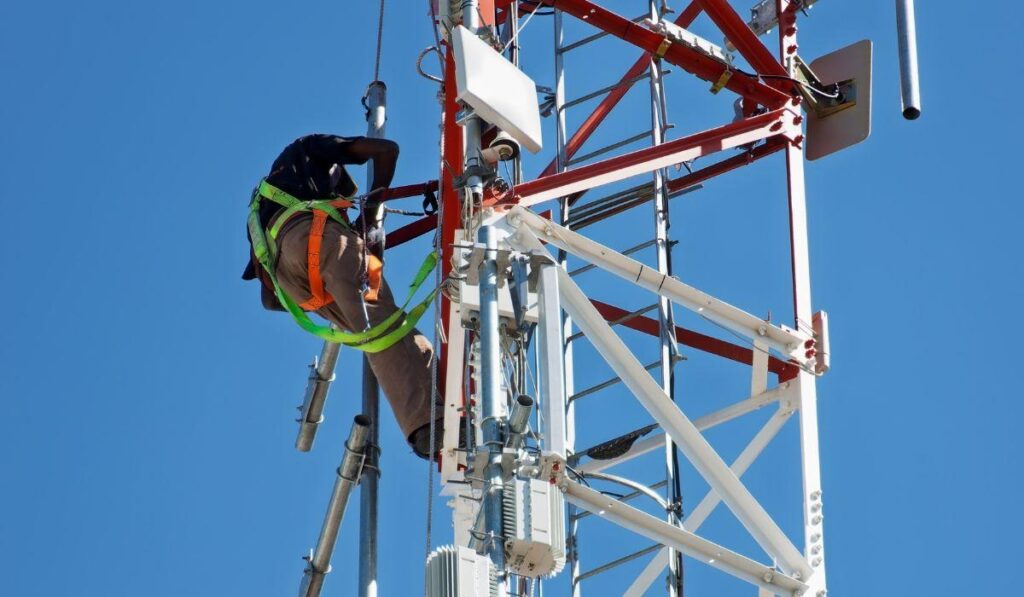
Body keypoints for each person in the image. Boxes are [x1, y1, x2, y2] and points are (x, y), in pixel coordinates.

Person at [242, 134, 441, 459]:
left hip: (294, 284)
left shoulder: (259, 214)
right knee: (382, 327)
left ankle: (437, 408)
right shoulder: (306, 150)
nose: (342, 197)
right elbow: (386, 150)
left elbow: (269, 301)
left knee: (389, 332)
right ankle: (427, 428)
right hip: (314, 236)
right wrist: (372, 211)